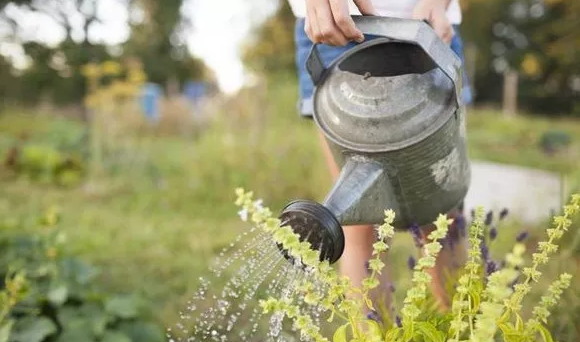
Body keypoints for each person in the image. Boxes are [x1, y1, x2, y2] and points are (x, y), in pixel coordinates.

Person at [287, 0, 473, 313]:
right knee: (361, 224)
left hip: (429, 27)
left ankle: (460, 332)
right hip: (334, 27)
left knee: (444, 218)